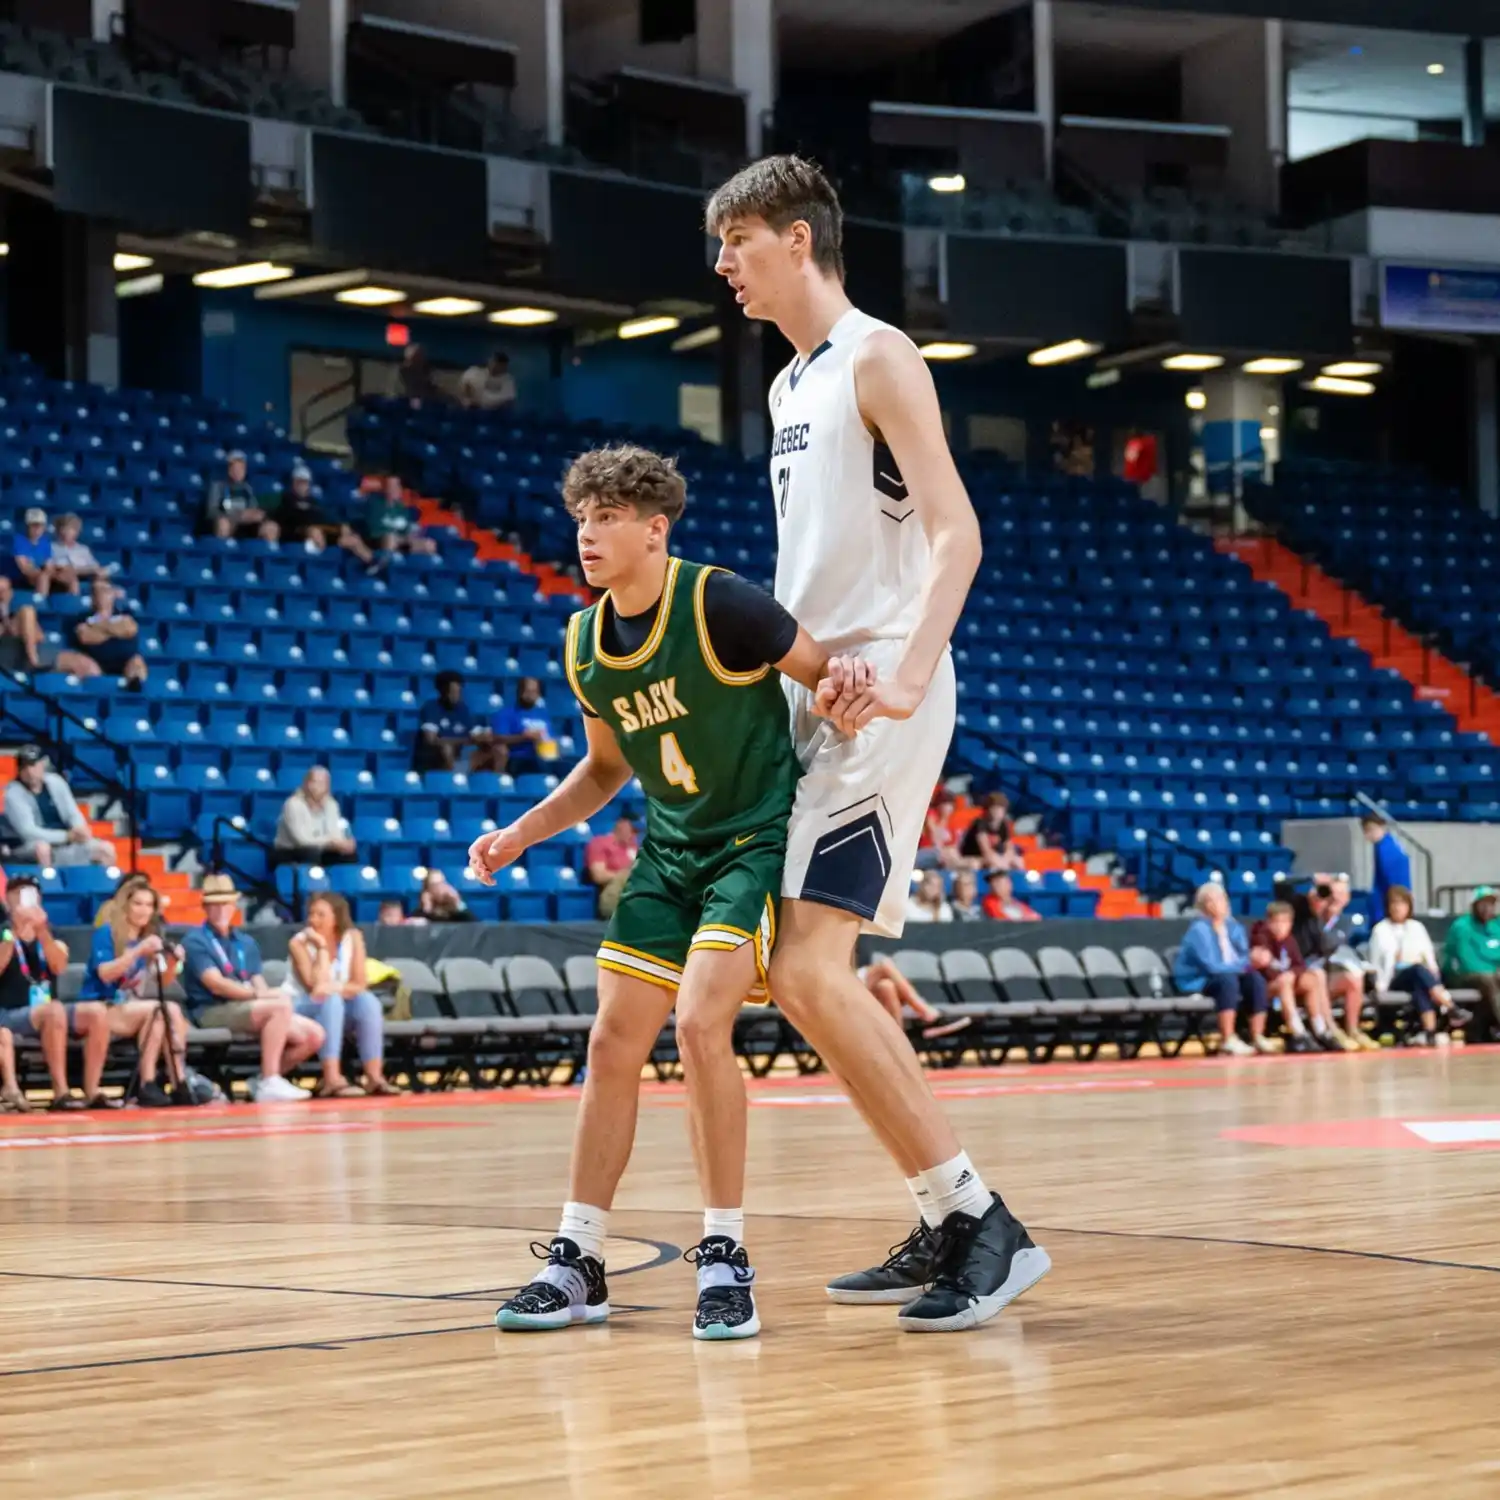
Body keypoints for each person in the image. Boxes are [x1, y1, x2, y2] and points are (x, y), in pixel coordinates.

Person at [710, 153, 1048, 1329]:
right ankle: (950, 1214)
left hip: (878, 691)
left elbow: (958, 534)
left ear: (797, 240)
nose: (723, 268)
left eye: (737, 244)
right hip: (816, 690)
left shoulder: (879, 354)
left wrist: (904, 679)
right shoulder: (787, 387)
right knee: (797, 981)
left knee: (805, 970)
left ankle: (982, 1225)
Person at [470, 442, 841, 1342]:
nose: (588, 535)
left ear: (653, 529)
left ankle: (724, 1254)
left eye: (606, 519)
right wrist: (523, 831)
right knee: (611, 1039)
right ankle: (578, 1258)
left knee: (700, 1022)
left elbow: (827, 676)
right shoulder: (583, 643)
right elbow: (604, 771)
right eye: (582, 519)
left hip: (748, 845)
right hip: (667, 856)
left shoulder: (720, 602)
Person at [180, 874, 324, 1102]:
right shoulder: (195, 940)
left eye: (225, 903)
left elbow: (257, 979)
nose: (220, 910)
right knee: (278, 1006)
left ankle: (259, 1080)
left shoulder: (245, 942)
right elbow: (216, 984)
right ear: (205, 907)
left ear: (234, 905)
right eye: (214, 904)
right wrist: (262, 996)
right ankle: (270, 1079)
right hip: (212, 1010)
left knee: (315, 1034)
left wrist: (265, 995)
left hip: (247, 1006)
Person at [0, 875, 113, 1109]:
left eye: (30, 894)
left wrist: (41, 931)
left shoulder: (50, 933)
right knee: (54, 1011)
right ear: (7, 900)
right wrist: (13, 933)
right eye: (18, 894)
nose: (25, 899)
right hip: (10, 1012)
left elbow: (58, 965)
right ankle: (61, 1091)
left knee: (97, 1012)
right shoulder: (4, 931)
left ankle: (92, 1090)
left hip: (49, 1010)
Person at [79, 881, 186, 1107]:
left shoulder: (149, 937)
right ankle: (169, 1080)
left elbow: (163, 982)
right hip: (101, 1007)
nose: (143, 910)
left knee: (162, 1012)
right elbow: (106, 974)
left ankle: (161, 1083)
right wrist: (138, 951)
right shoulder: (106, 933)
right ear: (125, 904)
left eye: (149, 905)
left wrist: (174, 961)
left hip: (131, 1008)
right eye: (138, 903)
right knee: (162, 1010)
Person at [286, 892, 401, 1097]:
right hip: (300, 1008)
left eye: (321, 915)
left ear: (336, 917)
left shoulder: (353, 937)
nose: (314, 920)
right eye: (311, 914)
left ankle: (374, 1078)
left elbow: (359, 983)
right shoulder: (298, 943)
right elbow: (314, 987)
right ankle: (332, 1079)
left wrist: (334, 989)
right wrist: (321, 948)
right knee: (331, 1001)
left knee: (368, 1002)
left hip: (336, 1002)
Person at [1175, 882, 1274, 1057]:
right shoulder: (1199, 930)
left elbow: (1243, 956)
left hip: (1229, 975)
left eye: (1222, 899)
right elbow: (1212, 966)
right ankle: (1228, 1038)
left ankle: (1257, 1035)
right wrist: (1245, 965)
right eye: (1216, 900)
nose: (1222, 903)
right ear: (1205, 905)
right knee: (1227, 979)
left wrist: (1251, 963)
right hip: (1201, 980)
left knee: (1255, 979)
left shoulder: (1233, 927)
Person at [1372, 885, 1471, 1048]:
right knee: (1417, 970)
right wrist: (1379, 986)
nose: (1398, 907)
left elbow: (1429, 957)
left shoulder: (1417, 927)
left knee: (1420, 985)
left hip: (1419, 977)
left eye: (1402, 903)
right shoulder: (1380, 930)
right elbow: (1376, 963)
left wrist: (1434, 975)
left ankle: (1429, 1033)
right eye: (1394, 903)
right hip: (1393, 978)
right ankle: (1451, 1007)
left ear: (1408, 906)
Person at [3, 745, 116, 868]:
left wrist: (79, 829)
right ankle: (49, 884)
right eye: (25, 768)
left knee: (106, 849)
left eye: (34, 765)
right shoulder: (13, 794)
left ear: (42, 764)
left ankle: (109, 886)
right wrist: (66, 836)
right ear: (19, 771)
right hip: (29, 844)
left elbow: (72, 813)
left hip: (68, 840)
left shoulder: (56, 782)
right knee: (42, 849)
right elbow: (28, 832)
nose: (30, 772)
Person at [1281, 878, 1359, 1052]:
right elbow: (1281, 888)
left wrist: (1327, 916)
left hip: (1314, 975)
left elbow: (1326, 946)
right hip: (1294, 973)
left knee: (1349, 978)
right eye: (1324, 896)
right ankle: (1326, 1029)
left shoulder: (1333, 923)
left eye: (1334, 897)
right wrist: (1312, 879)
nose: (1326, 901)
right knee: (1318, 975)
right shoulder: (1301, 912)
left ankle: (1350, 1030)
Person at [1247, 901, 1325, 1054]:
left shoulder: (1290, 940)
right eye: (1276, 922)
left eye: (1284, 922)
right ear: (1268, 922)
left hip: (1286, 983)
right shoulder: (1260, 938)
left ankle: (1320, 1029)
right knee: (1285, 980)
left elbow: (1300, 965)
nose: (1280, 926)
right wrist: (1286, 975)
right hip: (1265, 986)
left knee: (1311, 979)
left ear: (1290, 923)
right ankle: (1298, 1032)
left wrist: (1292, 973)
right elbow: (1265, 969)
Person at [859, 954, 970, 1040]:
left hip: (852, 982)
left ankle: (899, 1045)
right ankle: (927, 1013)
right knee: (884, 964)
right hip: (845, 987)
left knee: (887, 986)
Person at [0, 575, 93, 677]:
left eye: (5, 591)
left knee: (85, 664)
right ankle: (33, 660)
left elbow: (40, 637)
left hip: (22, 650)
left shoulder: (17, 615)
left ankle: (33, 658)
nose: (2, 595)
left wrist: (11, 622)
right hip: (5, 652)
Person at [1442, 886, 1500, 1038]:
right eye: (1484, 903)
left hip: (1492, 975)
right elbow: (1466, 961)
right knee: (1488, 979)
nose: (1488, 907)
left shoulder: (1497, 925)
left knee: (1492, 981)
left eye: (1491, 903)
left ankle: (1483, 1028)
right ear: (1475, 905)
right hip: (1462, 976)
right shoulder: (1462, 926)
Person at [70, 576, 147, 687]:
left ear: (112, 594)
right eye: (96, 592)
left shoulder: (124, 613)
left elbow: (130, 630)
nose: (101, 595)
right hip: (96, 661)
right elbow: (85, 637)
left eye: (105, 591)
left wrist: (98, 628)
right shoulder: (83, 618)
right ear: (92, 597)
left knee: (137, 661)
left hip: (125, 661)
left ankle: (133, 692)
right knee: (86, 665)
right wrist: (116, 630)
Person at [274, 766, 357, 867]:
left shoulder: (331, 804)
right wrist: (331, 842)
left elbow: (334, 832)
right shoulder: (293, 804)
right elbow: (302, 840)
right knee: (312, 853)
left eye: (323, 783)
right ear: (306, 784)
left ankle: (340, 881)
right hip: (289, 851)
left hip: (322, 849)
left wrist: (344, 844)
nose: (317, 786)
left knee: (349, 856)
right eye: (314, 782)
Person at [477, 677, 558, 777]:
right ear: (520, 692)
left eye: (534, 692)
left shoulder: (543, 714)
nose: (530, 695)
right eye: (527, 691)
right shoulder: (506, 714)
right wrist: (524, 737)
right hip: (517, 757)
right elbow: (498, 739)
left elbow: (551, 738)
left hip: (543, 756)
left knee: (568, 768)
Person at [415, 671, 487, 772]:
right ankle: (453, 780)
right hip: (435, 758)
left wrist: (484, 736)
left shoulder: (463, 709)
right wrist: (464, 741)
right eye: (452, 692)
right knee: (447, 747)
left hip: (461, 754)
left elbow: (475, 733)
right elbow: (431, 740)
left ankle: (491, 783)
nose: (456, 695)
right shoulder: (431, 707)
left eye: (458, 691)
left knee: (491, 748)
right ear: (442, 691)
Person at [364, 474, 438, 560]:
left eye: (396, 486)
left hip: (400, 542)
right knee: (390, 538)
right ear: (384, 488)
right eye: (390, 486)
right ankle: (385, 567)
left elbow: (406, 529)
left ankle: (419, 570)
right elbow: (374, 530)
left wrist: (409, 536)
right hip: (379, 541)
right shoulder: (375, 504)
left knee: (429, 544)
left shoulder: (402, 508)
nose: (394, 489)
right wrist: (396, 536)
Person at [1362, 813, 1412, 926]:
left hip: (1387, 905)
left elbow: (1392, 883)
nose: (1368, 834)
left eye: (1371, 829)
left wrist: (1392, 906)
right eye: (1366, 831)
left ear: (1382, 827)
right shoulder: (1386, 845)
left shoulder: (1386, 849)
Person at [203, 451, 267, 539]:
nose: (238, 472)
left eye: (241, 469)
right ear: (229, 470)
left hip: (244, 526)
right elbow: (212, 512)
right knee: (223, 524)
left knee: (270, 527)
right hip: (225, 523)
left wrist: (256, 515)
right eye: (235, 468)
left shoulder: (247, 489)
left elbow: (253, 509)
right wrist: (237, 516)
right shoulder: (217, 486)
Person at [585, 815, 638, 918]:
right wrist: (625, 875)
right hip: (613, 893)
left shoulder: (633, 847)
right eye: (633, 830)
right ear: (622, 825)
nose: (634, 835)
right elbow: (598, 876)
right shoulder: (600, 843)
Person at [960, 792, 1022, 873]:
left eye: (1000, 808)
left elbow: (1009, 847)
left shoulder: (1003, 825)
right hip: (974, 856)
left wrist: (1006, 859)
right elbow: (986, 851)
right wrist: (1001, 863)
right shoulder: (979, 823)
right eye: (994, 808)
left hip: (994, 857)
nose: (997, 811)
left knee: (1018, 861)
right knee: (986, 863)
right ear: (987, 809)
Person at [8, 507, 58, 598]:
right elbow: (24, 568)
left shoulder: (45, 542)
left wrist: (49, 571)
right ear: (28, 526)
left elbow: (49, 564)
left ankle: (74, 604)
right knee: (43, 577)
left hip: (43, 573)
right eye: (34, 525)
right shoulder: (18, 540)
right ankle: (41, 605)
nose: (37, 529)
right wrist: (42, 572)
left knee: (68, 576)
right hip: (23, 577)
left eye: (41, 525)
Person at [48, 513, 105, 591]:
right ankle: (74, 601)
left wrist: (78, 570)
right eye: (63, 529)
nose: (65, 532)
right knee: (72, 579)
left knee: (101, 575)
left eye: (70, 529)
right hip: (59, 576)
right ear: (58, 531)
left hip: (81, 573)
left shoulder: (83, 549)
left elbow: (95, 566)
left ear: (77, 532)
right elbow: (49, 565)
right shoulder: (51, 547)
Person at [277, 465, 326, 544]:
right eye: (299, 482)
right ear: (293, 483)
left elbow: (320, 516)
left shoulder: (314, 502)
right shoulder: (286, 499)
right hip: (292, 534)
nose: (302, 486)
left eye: (305, 482)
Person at [917, 787, 962, 871]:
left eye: (951, 804)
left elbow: (954, 845)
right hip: (925, 851)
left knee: (972, 862)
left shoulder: (951, 823)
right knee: (946, 855)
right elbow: (935, 840)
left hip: (945, 855)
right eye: (945, 804)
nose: (949, 808)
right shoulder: (931, 815)